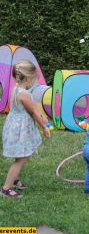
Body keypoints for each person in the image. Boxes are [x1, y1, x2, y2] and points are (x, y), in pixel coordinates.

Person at [0, 60, 51, 198]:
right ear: (28, 78)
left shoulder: (16, 88)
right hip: (20, 129)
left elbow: (33, 109)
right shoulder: (25, 94)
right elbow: (34, 111)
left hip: (15, 126)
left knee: (21, 155)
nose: (35, 82)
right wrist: (44, 127)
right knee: (22, 159)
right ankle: (6, 188)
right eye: (34, 79)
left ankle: (15, 179)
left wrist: (42, 116)